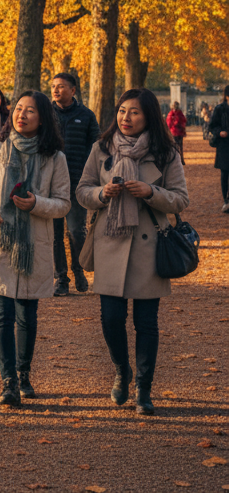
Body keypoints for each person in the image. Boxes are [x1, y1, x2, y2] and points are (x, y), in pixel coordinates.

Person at [76, 88, 189, 414]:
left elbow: (181, 199)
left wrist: (151, 191)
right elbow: (82, 191)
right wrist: (102, 192)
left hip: (149, 247)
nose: (126, 118)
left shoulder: (166, 153)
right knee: (111, 319)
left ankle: (144, 387)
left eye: (135, 112)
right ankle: (121, 371)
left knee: (146, 322)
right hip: (110, 241)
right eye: (123, 111)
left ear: (148, 115)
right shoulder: (101, 148)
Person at [0, 91, 71, 407]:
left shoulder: (55, 158)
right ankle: (8, 381)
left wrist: (36, 203)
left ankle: (23, 372)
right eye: (19, 109)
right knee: (3, 314)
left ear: (42, 118)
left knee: (27, 314)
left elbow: (64, 203)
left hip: (34, 246)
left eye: (30, 111)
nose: (21, 115)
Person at [50, 72, 100, 296]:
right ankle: (61, 278)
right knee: (54, 233)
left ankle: (78, 269)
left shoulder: (86, 115)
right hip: (49, 184)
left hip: (76, 181)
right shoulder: (45, 114)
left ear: (73, 90)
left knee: (76, 231)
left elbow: (96, 147)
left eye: (61, 86)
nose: (56, 90)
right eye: (53, 86)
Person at [208, 85, 229, 212]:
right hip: (224, 145)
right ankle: (226, 200)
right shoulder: (220, 109)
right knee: (225, 174)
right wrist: (219, 132)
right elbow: (212, 126)